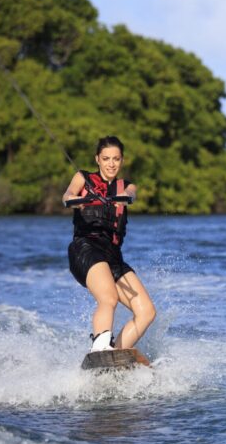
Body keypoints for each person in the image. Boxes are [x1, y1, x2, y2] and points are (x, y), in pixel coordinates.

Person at [63, 136, 156, 354]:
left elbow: (130, 194)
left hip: (113, 255)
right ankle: (99, 348)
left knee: (147, 312)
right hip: (86, 248)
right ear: (97, 159)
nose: (111, 163)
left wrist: (124, 197)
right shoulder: (82, 178)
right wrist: (75, 200)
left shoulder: (126, 186)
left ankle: (115, 354)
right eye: (106, 159)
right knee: (109, 298)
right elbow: (67, 195)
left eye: (116, 159)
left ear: (122, 161)